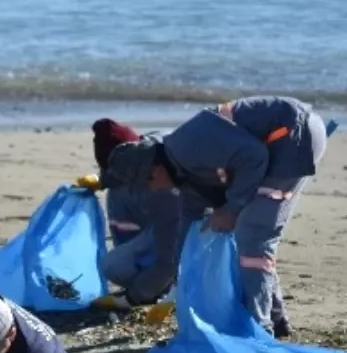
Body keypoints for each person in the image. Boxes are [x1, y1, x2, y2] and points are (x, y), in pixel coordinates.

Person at [98, 97, 332, 338]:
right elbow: (186, 228)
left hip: (291, 136)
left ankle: (259, 330)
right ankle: (276, 317)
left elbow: (254, 156)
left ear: (154, 170)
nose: (154, 190)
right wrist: (176, 287)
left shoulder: (187, 147)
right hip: (279, 144)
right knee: (251, 238)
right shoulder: (182, 173)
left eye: (149, 184)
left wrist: (231, 208)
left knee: (253, 236)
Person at [76, 119, 209, 312]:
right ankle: (147, 269)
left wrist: (135, 297)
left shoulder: (164, 190)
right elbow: (120, 164)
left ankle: (168, 284)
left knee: (114, 267)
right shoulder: (145, 150)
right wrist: (102, 180)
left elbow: (168, 260)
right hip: (167, 218)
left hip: (200, 230)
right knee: (118, 191)